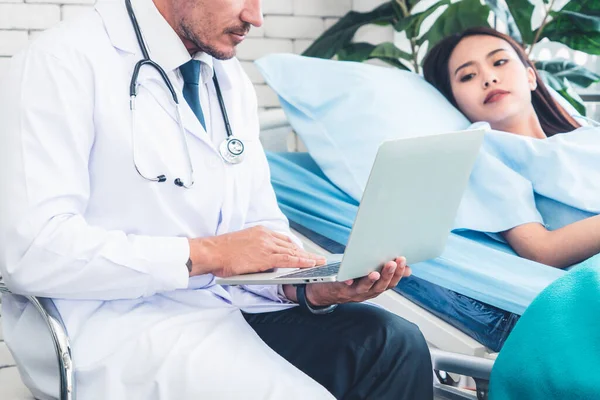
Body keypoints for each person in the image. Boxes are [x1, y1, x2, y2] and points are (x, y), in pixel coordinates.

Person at [0, 0, 433, 399]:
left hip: (224, 304)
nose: (256, 17)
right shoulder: (60, 63)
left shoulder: (224, 76)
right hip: (116, 326)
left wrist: (305, 289)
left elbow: (259, 223)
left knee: (393, 344)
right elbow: (33, 251)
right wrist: (208, 254)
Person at [422, 26, 600, 269]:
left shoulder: (586, 133)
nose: (489, 78)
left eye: (500, 61)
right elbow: (541, 250)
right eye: (467, 76)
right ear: (455, 101)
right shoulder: (482, 151)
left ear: (530, 76)